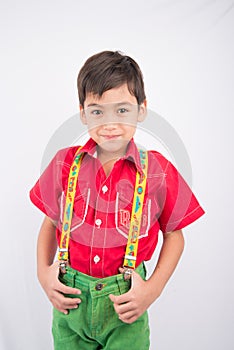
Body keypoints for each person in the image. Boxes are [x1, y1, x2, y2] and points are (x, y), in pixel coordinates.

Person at [29, 50, 205, 350]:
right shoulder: (64, 164)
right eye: (98, 111)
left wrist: (153, 289)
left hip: (125, 307)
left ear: (141, 109)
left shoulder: (158, 171)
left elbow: (175, 235)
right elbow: (50, 223)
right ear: (83, 113)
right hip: (70, 306)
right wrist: (43, 274)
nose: (109, 124)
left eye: (122, 110)